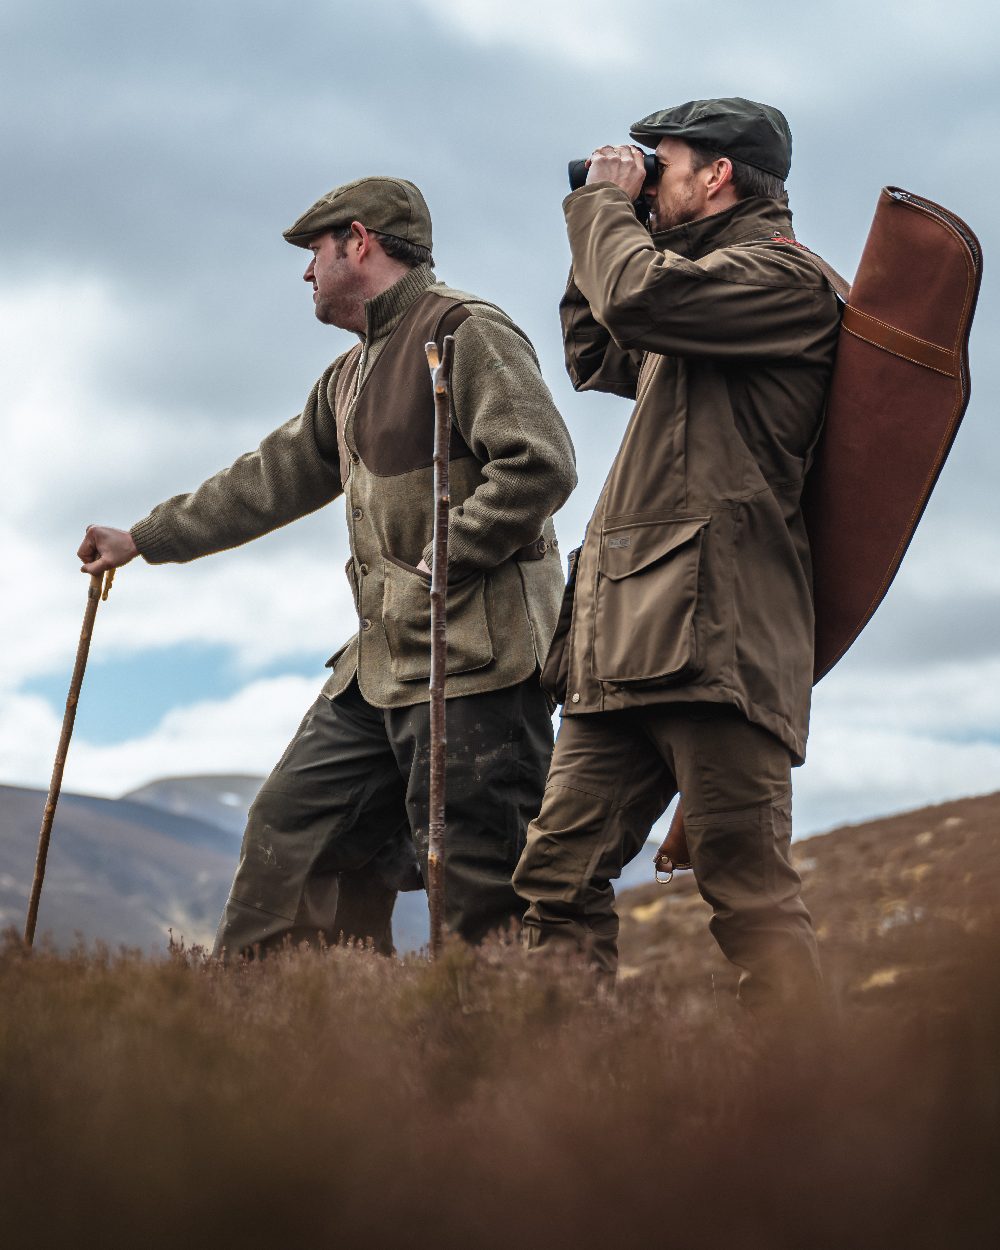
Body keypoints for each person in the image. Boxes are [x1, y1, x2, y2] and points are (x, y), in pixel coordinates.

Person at [79, 175, 576, 958]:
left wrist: (439, 561)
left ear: (360, 240)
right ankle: (303, 1047)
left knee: (483, 895)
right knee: (289, 832)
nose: (307, 272)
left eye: (315, 252)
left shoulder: (467, 332)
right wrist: (142, 538)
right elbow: (263, 481)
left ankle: (511, 1063)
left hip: (475, 662)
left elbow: (540, 464)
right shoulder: (347, 379)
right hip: (380, 669)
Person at [512, 99, 843, 1014]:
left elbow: (638, 297)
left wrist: (605, 214)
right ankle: (554, 1108)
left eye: (662, 164)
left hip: (716, 642)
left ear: (719, 174)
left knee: (749, 898)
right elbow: (595, 348)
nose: (644, 177)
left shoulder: (783, 284)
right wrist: (603, 215)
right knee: (553, 883)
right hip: (621, 643)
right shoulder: (693, 300)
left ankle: (817, 1111)